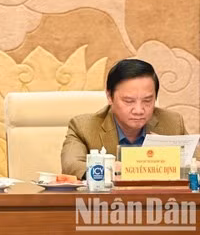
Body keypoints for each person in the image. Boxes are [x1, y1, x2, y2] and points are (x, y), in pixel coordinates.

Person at [61, 59, 189, 179]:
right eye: (129, 101)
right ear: (109, 97)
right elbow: (71, 165)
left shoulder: (172, 123)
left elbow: (195, 163)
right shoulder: (84, 127)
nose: (139, 110)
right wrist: (121, 169)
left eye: (147, 101)